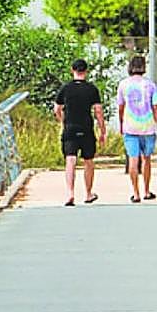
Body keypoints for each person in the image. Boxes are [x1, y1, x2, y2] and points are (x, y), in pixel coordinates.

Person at [54, 58, 106, 206]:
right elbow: (98, 111)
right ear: (86, 71)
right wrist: (102, 130)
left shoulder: (66, 88)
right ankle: (88, 193)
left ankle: (70, 193)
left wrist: (62, 120)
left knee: (70, 160)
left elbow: (57, 109)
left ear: (72, 70)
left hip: (70, 128)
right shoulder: (92, 89)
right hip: (86, 128)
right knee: (88, 161)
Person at [116, 55, 157, 203]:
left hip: (130, 126)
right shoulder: (150, 85)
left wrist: (121, 123)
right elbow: (155, 107)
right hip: (148, 126)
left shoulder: (123, 85)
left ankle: (135, 193)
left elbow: (120, 106)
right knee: (146, 159)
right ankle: (146, 190)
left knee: (133, 158)